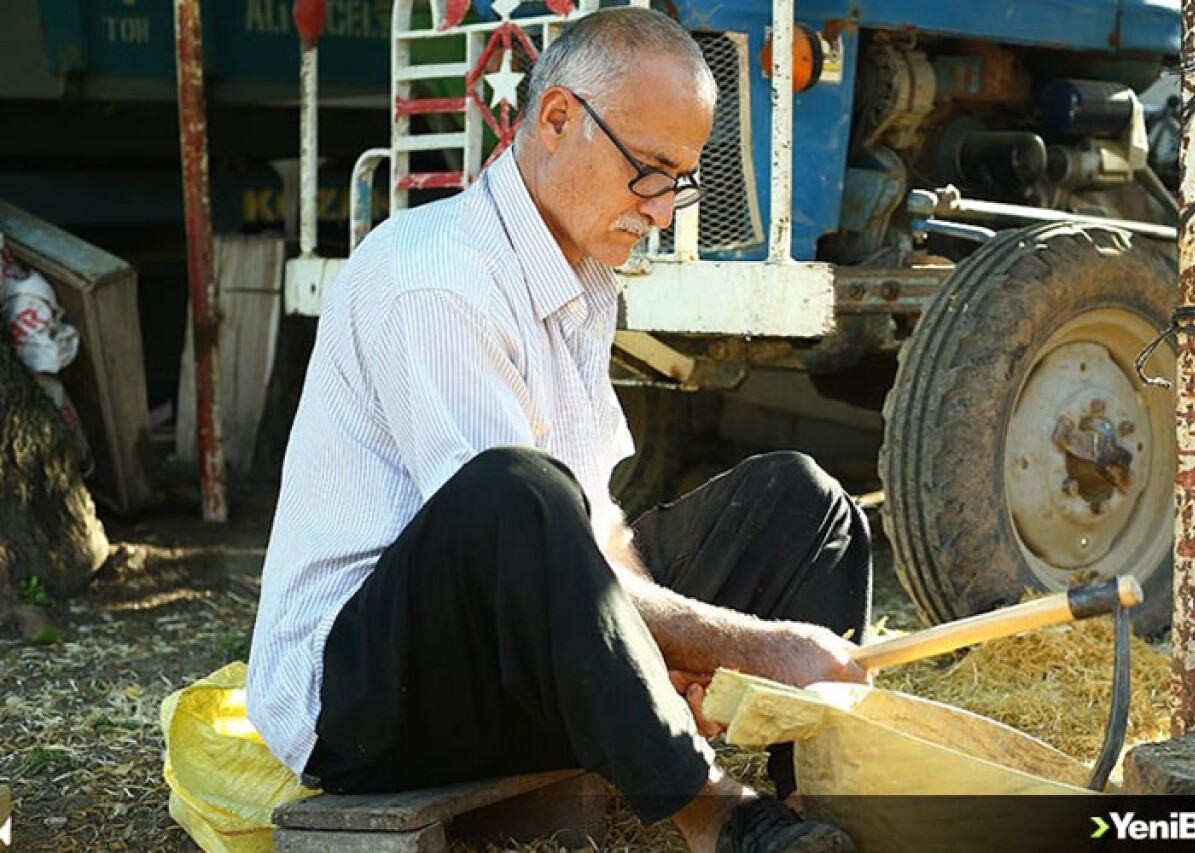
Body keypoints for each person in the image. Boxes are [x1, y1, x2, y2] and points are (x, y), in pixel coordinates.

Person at [247, 7, 873, 851]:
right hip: (371, 707)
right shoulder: (433, 278)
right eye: (651, 171)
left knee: (808, 504)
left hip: (515, 658)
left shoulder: (580, 268)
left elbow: (595, 532)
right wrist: (753, 644)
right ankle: (715, 814)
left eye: (681, 178)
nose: (660, 210)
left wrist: (660, 644)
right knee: (518, 490)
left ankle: (815, 800)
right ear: (555, 119)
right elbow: (520, 536)